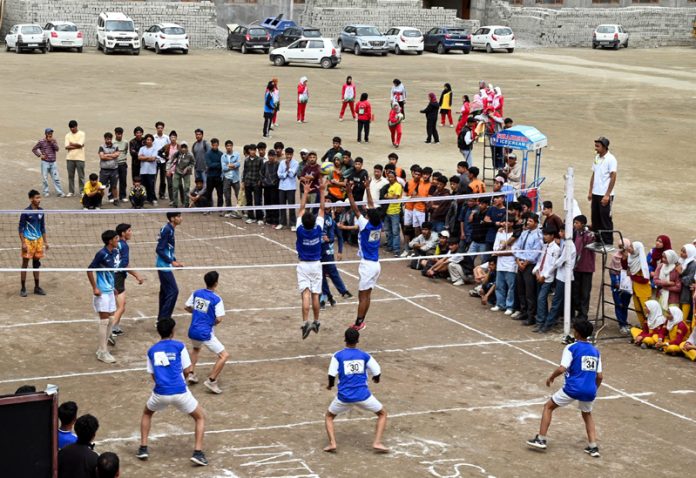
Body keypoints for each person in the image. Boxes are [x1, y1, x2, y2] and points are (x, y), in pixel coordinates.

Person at [526, 320, 602, 458]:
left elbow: (562, 368)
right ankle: (593, 447)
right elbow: (600, 376)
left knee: (548, 407)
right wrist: (593, 389)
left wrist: (551, 377)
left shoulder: (571, 347)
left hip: (573, 388)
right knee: (587, 414)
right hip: (590, 390)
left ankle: (541, 439)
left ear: (577, 333)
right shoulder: (595, 351)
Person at [137, 318, 208, 466]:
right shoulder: (179, 346)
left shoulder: (151, 350)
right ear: (172, 331)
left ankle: (143, 448)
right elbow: (188, 370)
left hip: (160, 392)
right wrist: (181, 380)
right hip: (180, 391)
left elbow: (152, 374)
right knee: (200, 417)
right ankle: (198, 453)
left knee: (147, 413)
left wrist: (163, 385)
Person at [324, 328, 388, 453]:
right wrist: (376, 379)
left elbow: (331, 375)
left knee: (329, 416)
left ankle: (332, 443)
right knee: (382, 414)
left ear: (345, 339)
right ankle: (377, 442)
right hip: (363, 396)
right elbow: (377, 370)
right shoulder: (364, 355)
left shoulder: (338, 355)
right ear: (357, 340)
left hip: (344, 397)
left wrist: (330, 386)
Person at [184, 271, 229, 394]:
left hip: (193, 330)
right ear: (216, 283)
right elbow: (219, 318)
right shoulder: (217, 299)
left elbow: (187, 306)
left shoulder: (197, 293)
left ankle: (191, 374)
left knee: (196, 349)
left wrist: (197, 314)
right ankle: (211, 380)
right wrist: (210, 322)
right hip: (204, 332)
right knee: (224, 356)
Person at [346, 177, 382, 331]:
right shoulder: (377, 224)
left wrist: (349, 193)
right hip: (376, 265)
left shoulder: (365, 225)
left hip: (367, 265)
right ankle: (361, 321)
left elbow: (354, 208)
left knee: (363, 297)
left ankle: (359, 323)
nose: (366, 212)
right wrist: (367, 188)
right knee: (367, 296)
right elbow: (371, 206)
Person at [296, 175, 326, 339]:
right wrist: (322, 191)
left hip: (303, 265)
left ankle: (305, 322)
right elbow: (322, 209)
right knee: (316, 294)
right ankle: (316, 320)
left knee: (305, 294)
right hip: (316, 264)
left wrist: (305, 192)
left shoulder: (300, 229)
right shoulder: (318, 229)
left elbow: (301, 209)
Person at [87, 230, 121, 364]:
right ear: (110, 241)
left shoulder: (114, 253)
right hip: (102, 293)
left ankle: (103, 348)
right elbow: (89, 270)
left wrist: (113, 287)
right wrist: (95, 288)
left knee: (111, 319)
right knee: (104, 321)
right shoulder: (102, 254)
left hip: (110, 291)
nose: (118, 241)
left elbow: (109, 273)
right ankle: (102, 352)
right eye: (116, 239)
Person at [111, 223, 144, 338]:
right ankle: (109, 330)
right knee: (121, 306)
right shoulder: (124, 246)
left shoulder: (114, 244)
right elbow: (124, 265)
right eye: (129, 230)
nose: (131, 232)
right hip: (118, 277)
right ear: (123, 233)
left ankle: (115, 328)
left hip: (110, 275)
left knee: (117, 305)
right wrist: (137, 276)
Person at [544, 225, 578, 333]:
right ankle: (554, 320)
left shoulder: (569, 246)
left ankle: (548, 323)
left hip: (565, 277)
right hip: (561, 275)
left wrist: (549, 271)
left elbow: (561, 261)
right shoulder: (565, 243)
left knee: (557, 301)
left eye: (561, 231)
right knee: (560, 300)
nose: (559, 233)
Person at [512, 213, 542, 326]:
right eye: (527, 221)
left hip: (529, 266)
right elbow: (516, 247)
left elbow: (535, 252)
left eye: (530, 221)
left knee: (530, 292)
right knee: (521, 290)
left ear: (535, 222)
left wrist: (525, 262)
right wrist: (518, 260)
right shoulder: (524, 233)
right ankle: (523, 311)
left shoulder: (538, 235)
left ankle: (531, 316)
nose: (528, 223)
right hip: (520, 263)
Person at [587, 136, 617, 250]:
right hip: (595, 193)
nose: (596, 148)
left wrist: (607, 195)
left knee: (605, 218)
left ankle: (608, 243)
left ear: (604, 147)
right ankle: (598, 241)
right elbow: (594, 174)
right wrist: (590, 191)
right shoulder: (596, 158)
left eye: (598, 146)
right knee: (595, 217)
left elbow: (613, 176)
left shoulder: (611, 159)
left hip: (605, 194)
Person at [320, 203, 352, 308]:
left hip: (328, 252)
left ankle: (341, 292)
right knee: (321, 274)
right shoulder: (318, 219)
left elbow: (339, 237)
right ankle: (327, 296)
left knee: (331, 271)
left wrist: (340, 251)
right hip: (318, 252)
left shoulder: (331, 221)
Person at [19, 190, 48, 297]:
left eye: (39, 198)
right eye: (37, 198)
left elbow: (42, 227)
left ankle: (37, 287)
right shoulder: (26, 212)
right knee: (25, 264)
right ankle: (23, 288)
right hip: (28, 241)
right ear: (31, 199)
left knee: (36, 264)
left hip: (38, 240)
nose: (39, 200)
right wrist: (23, 243)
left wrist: (45, 242)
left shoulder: (41, 211)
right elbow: (21, 228)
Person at [533, 227, 561, 333]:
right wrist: (536, 272)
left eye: (547, 235)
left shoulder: (556, 249)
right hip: (539, 275)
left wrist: (544, 276)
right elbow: (540, 261)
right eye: (544, 234)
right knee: (541, 300)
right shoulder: (545, 246)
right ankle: (541, 321)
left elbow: (553, 265)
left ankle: (541, 322)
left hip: (547, 278)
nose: (545, 237)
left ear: (552, 236)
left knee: (541, 299)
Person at [156, 212, 183, 322]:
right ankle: (164, 320)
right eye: (178, 216)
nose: (181, 218)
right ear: (172, 218)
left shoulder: (170, 228)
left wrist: (175, 260)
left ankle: (161, 319)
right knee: (173, 291)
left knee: (165, 292)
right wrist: (171, 261)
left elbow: (168, 248)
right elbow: (159, 249)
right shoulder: (167, 229)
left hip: (165, 264)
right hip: (163, 266)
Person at [623, 240, 652, 329]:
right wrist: (624, 259)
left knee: (646, 311)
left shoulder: (641, 262)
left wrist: (632, 276)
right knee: (638, 310)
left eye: (632, 247)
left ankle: (649, 329)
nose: (629, 248)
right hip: (635, 290)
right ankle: (644, 328)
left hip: (643, 291)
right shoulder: (631, 258)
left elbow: (645, 279)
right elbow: (626, 268)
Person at [572, 215, 595, 322]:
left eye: (577, 223)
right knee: (575, 292)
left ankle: (583, 315)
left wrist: (587, 231)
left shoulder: (589, 235)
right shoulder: (575, 234)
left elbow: (589, 242)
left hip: (586, 269)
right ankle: (578, 311)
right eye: (574, 223)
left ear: (582, 224)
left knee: (585, 293)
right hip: (576, 267)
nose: (575, 225)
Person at [492, 216, 517, 313]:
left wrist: (500, 252)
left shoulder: (515, 235)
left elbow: (514, 251)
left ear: (512, 223)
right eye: (504, 222)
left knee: (511, 287)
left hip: (511, 265)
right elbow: (495, 248)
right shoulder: (499, 233)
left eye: (508, 222)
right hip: (500, 264)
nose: (505, 224)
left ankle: (509, 306)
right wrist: (500, 251)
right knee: (499, 285)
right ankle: (500, 304)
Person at [609, 238, 632, 335]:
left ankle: (624, 322)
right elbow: (612, 272)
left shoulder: (631, 258)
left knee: (625, 305)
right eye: (620, 247)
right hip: (617, 285)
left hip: (627, 284)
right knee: (619, 304)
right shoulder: (615, 257)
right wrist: (616, 282)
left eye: (623, 247)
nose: (621, 249)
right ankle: (621, 324)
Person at [32, 127, 65, 197]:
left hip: (53, 162)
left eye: (51, 133)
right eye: (49, 133)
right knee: (45, 178)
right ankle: (45, 192)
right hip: (45, 162)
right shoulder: (41, 141)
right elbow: (34, 149)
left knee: (56, 178)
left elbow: (57, 149)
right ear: (46, 134)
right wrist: (40, 155)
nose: (50, 134)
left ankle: (60, 192)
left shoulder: (54, 140)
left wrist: (52, 142)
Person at [382, 168, 403, 257]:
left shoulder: (398, 186)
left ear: (395, 177)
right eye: (389, 177)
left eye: (391, 177)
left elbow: (395, 197)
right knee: (388, 230)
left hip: (395, 212)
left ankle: (396, 249)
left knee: (395, 232)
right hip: (387, 211)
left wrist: (387, 197)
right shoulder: (388, 186)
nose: (390, 178)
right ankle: (390, 246)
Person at [277, 147, 298, 229]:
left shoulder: (295, 163)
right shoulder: (281, 162)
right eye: (287, 154)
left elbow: (292, 175)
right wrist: (287, 172)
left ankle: (293, 224)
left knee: (291, 206)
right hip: (282, 187)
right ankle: (282, 223)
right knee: (282, 205)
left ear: (292, 154)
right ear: (285, 154)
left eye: (290, 154)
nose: (288, 156)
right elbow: (279, 174)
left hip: (291, 187)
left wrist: (288, 167)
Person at [64, 119, 86, 197]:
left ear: (76, 126)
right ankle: (71, 191)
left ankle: (82, 191)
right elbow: (66, 146)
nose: (72, 129)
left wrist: (72, 144)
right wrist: (78, 145)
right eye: (71, 128)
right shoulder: (67, 135)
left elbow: (80, 144)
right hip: (70, 158)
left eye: (73, 127)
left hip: (80, 158)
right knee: (70, 176)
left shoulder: (82, 134)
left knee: (81, 176)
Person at [243, 144, 264, 224]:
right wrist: (243, 181)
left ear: (256, 151)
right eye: (251, 150)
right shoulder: (246, 160)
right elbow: (245, 171)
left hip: (256, 183)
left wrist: (260, 180)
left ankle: (259, 218)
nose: (252, 151)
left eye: (254, 150)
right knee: (249, 201)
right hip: (248, 182)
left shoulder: (259, 160)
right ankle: (251, 217)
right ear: (249, 151)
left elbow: (262, 172)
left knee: (257, 201)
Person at [98, 132, 120, 206]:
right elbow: (102, 157)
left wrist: (106, 155)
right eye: (107, 139)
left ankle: (115, 199)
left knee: (114, 186)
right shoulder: (101, 147)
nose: (109, 140)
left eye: (110, 139)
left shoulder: (116, 146)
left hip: (114, 170)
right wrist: (112, 156)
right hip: (104, 170)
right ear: (105, 139)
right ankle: (99, 200)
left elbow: (116, 155)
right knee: (102, 186)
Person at [158, 130, 179, 205]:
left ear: (176, 138)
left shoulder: (179, 147)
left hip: (177, 167)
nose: (173, 138)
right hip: (168, 167)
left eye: (174, 137)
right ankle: (172, 200)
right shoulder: (167, 146)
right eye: (171, 137)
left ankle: (177, 198)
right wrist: (165, 158)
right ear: (170, 138)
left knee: (177, 184)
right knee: (170, 184)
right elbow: (159, 152)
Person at [171, 142, 195, 208]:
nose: (183, 149)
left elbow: (193, 163)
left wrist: (188, 168)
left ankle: (186, 203)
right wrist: (168, 169)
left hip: (186, 173)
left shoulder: (190, 155)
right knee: (175, 187)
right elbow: (171, 160)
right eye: (182, 147)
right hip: (177, 171)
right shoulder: (177, 153)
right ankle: (175, 203)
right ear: (180, 148)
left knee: (186, 188)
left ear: (187, 148)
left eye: (185, 147)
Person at [137, 134, 159, 205]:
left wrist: (144, 157)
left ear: (152, 141)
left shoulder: (155, 149)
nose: (149, 141)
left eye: (150, 140)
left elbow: (153, 159)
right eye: (147, 140)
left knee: (151, 186)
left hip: (151, 171)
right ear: (145, 141)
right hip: (143, 170)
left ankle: (153, 199)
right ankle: (144, 199)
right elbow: (139, 158)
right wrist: (148, 158)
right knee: (143, 186)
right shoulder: (142, 148)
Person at [261, 149, 281, 226]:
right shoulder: (265, 164)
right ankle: (268, 219)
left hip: (275, 188)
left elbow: (278, 176)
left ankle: (275, 220)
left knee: (274, 203)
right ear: (268, 156)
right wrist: (264, 181)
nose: (271, 157)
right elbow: (261, 174)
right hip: (266, 187)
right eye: (270, 155)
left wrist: (274, 182)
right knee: (267, 202)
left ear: (275, 156)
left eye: (273, 155)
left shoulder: (278, 164)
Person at [221, 140, 241, 216]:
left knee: (238, 195)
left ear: (232, 146)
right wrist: (232, 166)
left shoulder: (237, 154)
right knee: (227, 196)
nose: (229, 147)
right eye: (227, 146)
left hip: (235, 178)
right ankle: (229, 210)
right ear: (225, 147)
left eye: (230, 145)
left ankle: (241, 210)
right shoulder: (223, 156)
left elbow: (238, 164)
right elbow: (224, 168)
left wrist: (229, 165)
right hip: (226, 178)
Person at [152, 121, 171, 200]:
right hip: (155, 160)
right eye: (158, 128)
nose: (160, 129)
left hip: (163, 161)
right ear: (156, 128)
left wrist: (167, 157)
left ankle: (162, 194)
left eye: (161, 128)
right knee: (154, 178)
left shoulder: (166, 138)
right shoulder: (153, 137)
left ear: (163, 128)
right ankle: (152, 194)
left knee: (163, 179)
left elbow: (169, 147)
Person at [678, 244, 696, 326]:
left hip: (687, 295)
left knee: (684, 318)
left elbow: (689, 280)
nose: (681, 253)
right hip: (680, 293)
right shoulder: (682, 262)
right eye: (681, 251)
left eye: (684, 252)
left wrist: (680, 274)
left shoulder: (693, 264)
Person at [204, 138, 224, 208]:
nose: (215, 147)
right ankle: (208, 208)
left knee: (220, 194)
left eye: (216, 145)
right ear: (211, 145)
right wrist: (218, 164)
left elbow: (223, 165)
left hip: (218, 177)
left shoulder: (221, 154)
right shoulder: (208, 154)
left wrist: (215, 164)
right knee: (208, 193)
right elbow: (209, 165)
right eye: (213, 145)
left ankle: (220, 208)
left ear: (218, 145)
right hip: (210, 177)